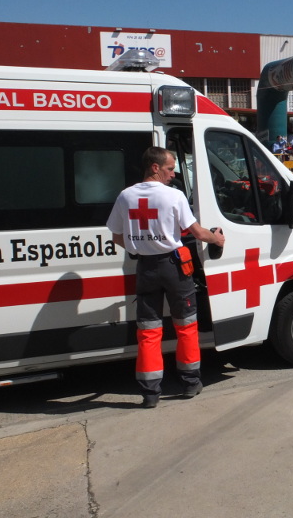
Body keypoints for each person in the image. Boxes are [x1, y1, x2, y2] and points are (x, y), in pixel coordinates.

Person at [106, 147, 225, 409]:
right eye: (171, 169)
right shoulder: (174, 196)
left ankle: (150, 393)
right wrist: (217, 237)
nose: (174, 174)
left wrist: (139, 247)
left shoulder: (126, 196)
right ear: (155, 167)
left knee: (148, 333)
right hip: (174, 267)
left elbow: (116, 236)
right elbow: (196, 232)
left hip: (145, 268)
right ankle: (190, 382)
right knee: (186, 326)